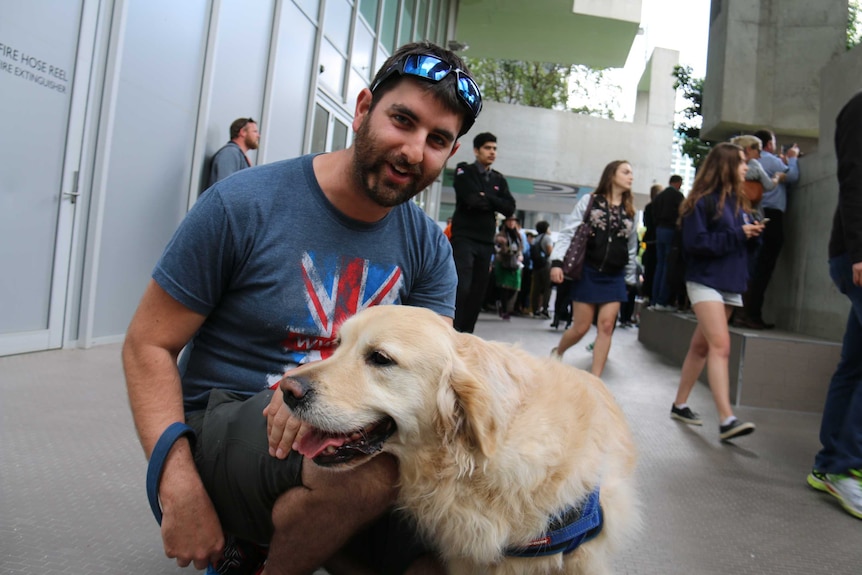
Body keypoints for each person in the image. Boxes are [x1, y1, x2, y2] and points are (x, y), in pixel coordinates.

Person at [122, 41, 483, 575]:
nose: (412, 150)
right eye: (401, 120)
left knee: (443, 556)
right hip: (228, 418)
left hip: (351, 428)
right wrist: (177, 486)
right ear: (363, 109)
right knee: (370, 477)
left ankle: (278, 542)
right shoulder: (243, 204)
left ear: (450, 155)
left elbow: (429, 383)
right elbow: (147, 344)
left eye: (436, 139)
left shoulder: (430, 248)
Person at [669, 142, 764, 442]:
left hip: (729, 283)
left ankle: (679, 404)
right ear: (724, 166)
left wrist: (751, 235)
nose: (745, 167)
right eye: (740, 162)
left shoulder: (740, 204)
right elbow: (696, 244)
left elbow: (741, 246)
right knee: (720, 346)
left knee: (703, 346)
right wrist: (739, 234)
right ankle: (726, 419)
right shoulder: (701, 202)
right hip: (705, 281)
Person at [806, 91, 862, 520]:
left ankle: (831, 465)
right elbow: (855, 180)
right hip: (857, 254)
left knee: (855, 362)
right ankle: (844, 466)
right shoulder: (859, 108)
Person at [549, 160, 638, 377]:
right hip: (588, 271)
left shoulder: (630, 211)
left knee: (606, 326)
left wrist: (630, 278)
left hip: (615, 276)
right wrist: (557, 262)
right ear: (612, 174)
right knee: (581, 327)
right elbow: (569, 232)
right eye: (626, 172)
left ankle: (595, 379)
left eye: (631, 173)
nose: (631, 177)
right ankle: (558, 351)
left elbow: (631, 246)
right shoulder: (589, 202)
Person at [450, 132, 516, 333]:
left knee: (478, 292)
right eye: (488, 148)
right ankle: (451, 330)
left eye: (495, 148)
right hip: (464, 238)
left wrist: (485, 196)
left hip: (486, 242)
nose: (492, 152)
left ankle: (466, 336)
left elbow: (509, 207)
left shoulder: (498, 178)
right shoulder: (464, 170)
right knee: (462, 287)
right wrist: (494, 200)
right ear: (476, 150)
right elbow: (470, 199)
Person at [739, 128, 800, 329]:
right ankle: (752, 314)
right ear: (765, 145)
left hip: (751, 214)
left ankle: (739, 313)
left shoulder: (741, 163)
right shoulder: (766, 160)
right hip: (770, 216)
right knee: (763, 268)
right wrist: (791, 159)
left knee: (751, 266)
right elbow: (792, 176)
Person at [650, 175, 685, 311]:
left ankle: (655, 299)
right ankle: (662, 300)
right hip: (671, 231)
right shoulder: (678, 196)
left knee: (659, 265)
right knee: (667, 265)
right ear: (678, 183)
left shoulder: (660, 196)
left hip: (659, 230)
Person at [206, 117, 261, 188]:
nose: (258, 136)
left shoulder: (238, 155)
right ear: (242, 132)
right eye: (255, 131)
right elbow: (225, 188)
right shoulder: (229, 153)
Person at [493, 216, 523, 320]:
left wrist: (520, 255)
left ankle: (502, 304)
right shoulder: (501, 235)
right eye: (509, 221)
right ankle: (504, 309)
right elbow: (496, 248)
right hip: (504, 262)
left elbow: (520, 248)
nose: (511, 223)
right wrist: (502, 248)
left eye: (513, 221)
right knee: (504, 287)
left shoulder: (518, 235)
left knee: (515, 287)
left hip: (515, 263)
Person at [641, 183, 663, 304]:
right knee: (657, 267)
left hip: (649, 240)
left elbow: (646, 223)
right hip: (656, 240)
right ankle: (655, 295)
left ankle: (647, 293)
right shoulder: (661, 208)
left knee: (649, 269)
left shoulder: (648, 207)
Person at [529, 220, 553, 319]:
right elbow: (550, 252)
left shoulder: (536, 239)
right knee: (547, 288)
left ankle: (535, 309)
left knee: (536, 288)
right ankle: (545, 309)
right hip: (546, 265)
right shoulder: (547, 238)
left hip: (536, 265)